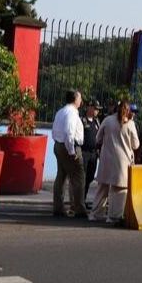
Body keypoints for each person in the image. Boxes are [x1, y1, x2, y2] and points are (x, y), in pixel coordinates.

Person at [90, 100, 140, 223]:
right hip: (122, 162)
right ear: (129, 111)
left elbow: (98, 138)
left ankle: (95, 214)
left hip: (106, 159)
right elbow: (136, 145)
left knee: (102, 187)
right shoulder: (130, 124)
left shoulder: (107, 120)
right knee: (119, 190)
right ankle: (113, 216)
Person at [50, 90, 87, 218]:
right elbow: (69, 133)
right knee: (79, 177)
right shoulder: (72, 113)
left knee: (61, 176)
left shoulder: (61, 111)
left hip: (59, 145)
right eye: (80, 98)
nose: (81, 101)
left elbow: (54, 131)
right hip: (69, 146)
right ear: (75, 99)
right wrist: (72, 151)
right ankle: (79, 209)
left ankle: (58, 208)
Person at [81, 100, 102, 194]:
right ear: (89, 108)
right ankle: (81, 200)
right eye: (95, 109)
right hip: (84, 152)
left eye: (98, 109)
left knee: (90, 176)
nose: (97, 111)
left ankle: (83, 198)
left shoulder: (97, 121)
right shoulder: (82, 120)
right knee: (83, 177)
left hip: (94, 153)